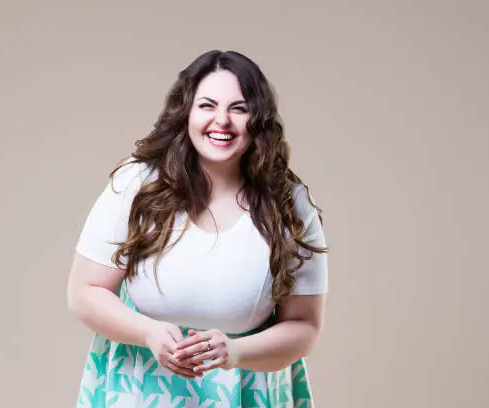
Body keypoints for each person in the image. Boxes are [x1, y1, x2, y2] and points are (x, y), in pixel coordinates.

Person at [67, 49, 329, 408]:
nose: (221, 120)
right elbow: (85, 290)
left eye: (239, 108)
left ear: (259, 119)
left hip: (245, 393)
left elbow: (304, 327)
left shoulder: (289, 203)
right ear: (186, 113)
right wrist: (148, 333)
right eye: (207, 105)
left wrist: (235, 352)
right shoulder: (137, 182)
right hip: (139, 390)